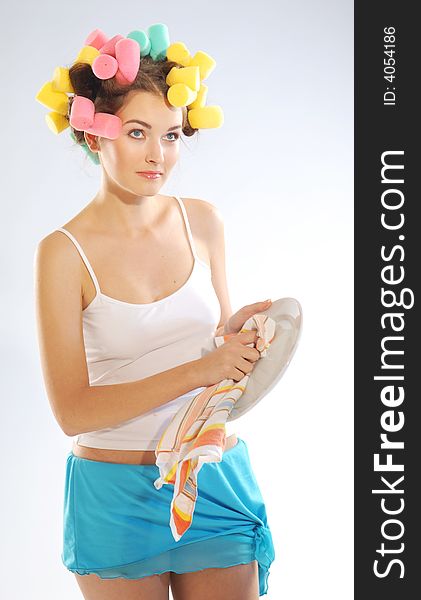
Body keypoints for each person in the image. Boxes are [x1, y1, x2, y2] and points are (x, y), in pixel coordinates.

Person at [34, 27, 275, 600]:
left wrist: (239, 336)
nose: (157, 155)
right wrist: (201, 369)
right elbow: (72, 410)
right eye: (137, 133)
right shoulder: (63, 254)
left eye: (170, 136)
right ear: (95, 137)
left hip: (211, 474)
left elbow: (208, 336)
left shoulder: (204, 222)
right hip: (114, 493)